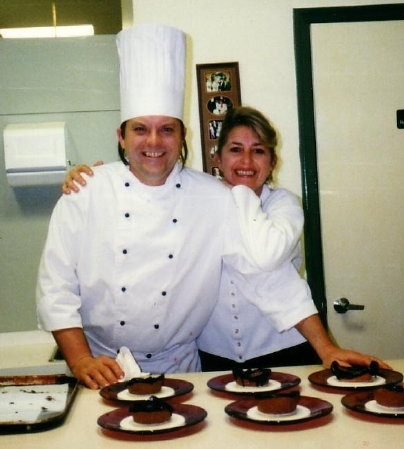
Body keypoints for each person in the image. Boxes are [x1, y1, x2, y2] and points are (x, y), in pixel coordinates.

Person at [36, 25, 306, 390]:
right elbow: (56, 286)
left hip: (183, 368)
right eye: (139, 129)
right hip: (98, 366)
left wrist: (326, 347)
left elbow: (265, 279)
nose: (153, 142)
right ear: (121, 136)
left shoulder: (215, 197)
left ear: (182, 137)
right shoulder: (86, 191)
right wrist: (80, 358)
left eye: (166, 129)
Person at [63, 106, 389, 373]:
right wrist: (102, 183)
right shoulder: (198, 199)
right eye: (235, 150)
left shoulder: (282, 204)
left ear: (272, 161)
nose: (246, 162)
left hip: (284, 349)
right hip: (214, 358)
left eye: (258, 151)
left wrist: (326, 349)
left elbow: (270, 273)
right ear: (217, 158)